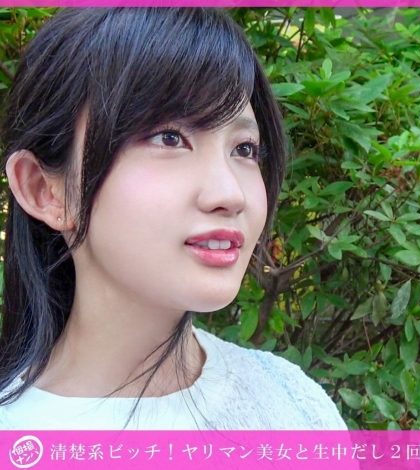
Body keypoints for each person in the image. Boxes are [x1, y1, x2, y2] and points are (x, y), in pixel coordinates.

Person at [0, 8, 346, 431]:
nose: (230, 195)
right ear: (44, 190)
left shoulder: (293, 405)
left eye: (244, 149)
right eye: (169, 138)